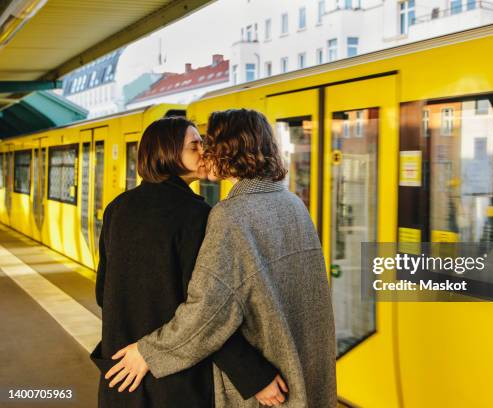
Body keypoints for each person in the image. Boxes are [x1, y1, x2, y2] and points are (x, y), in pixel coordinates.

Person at [104, 109, 337, 407]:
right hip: (301, 373)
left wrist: (148, 352)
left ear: (230, 149)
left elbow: (209, 313)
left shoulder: (229, 215)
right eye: (198, 144)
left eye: (209, 143)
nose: (205, 152)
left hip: (265, 388)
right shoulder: (293, 204)